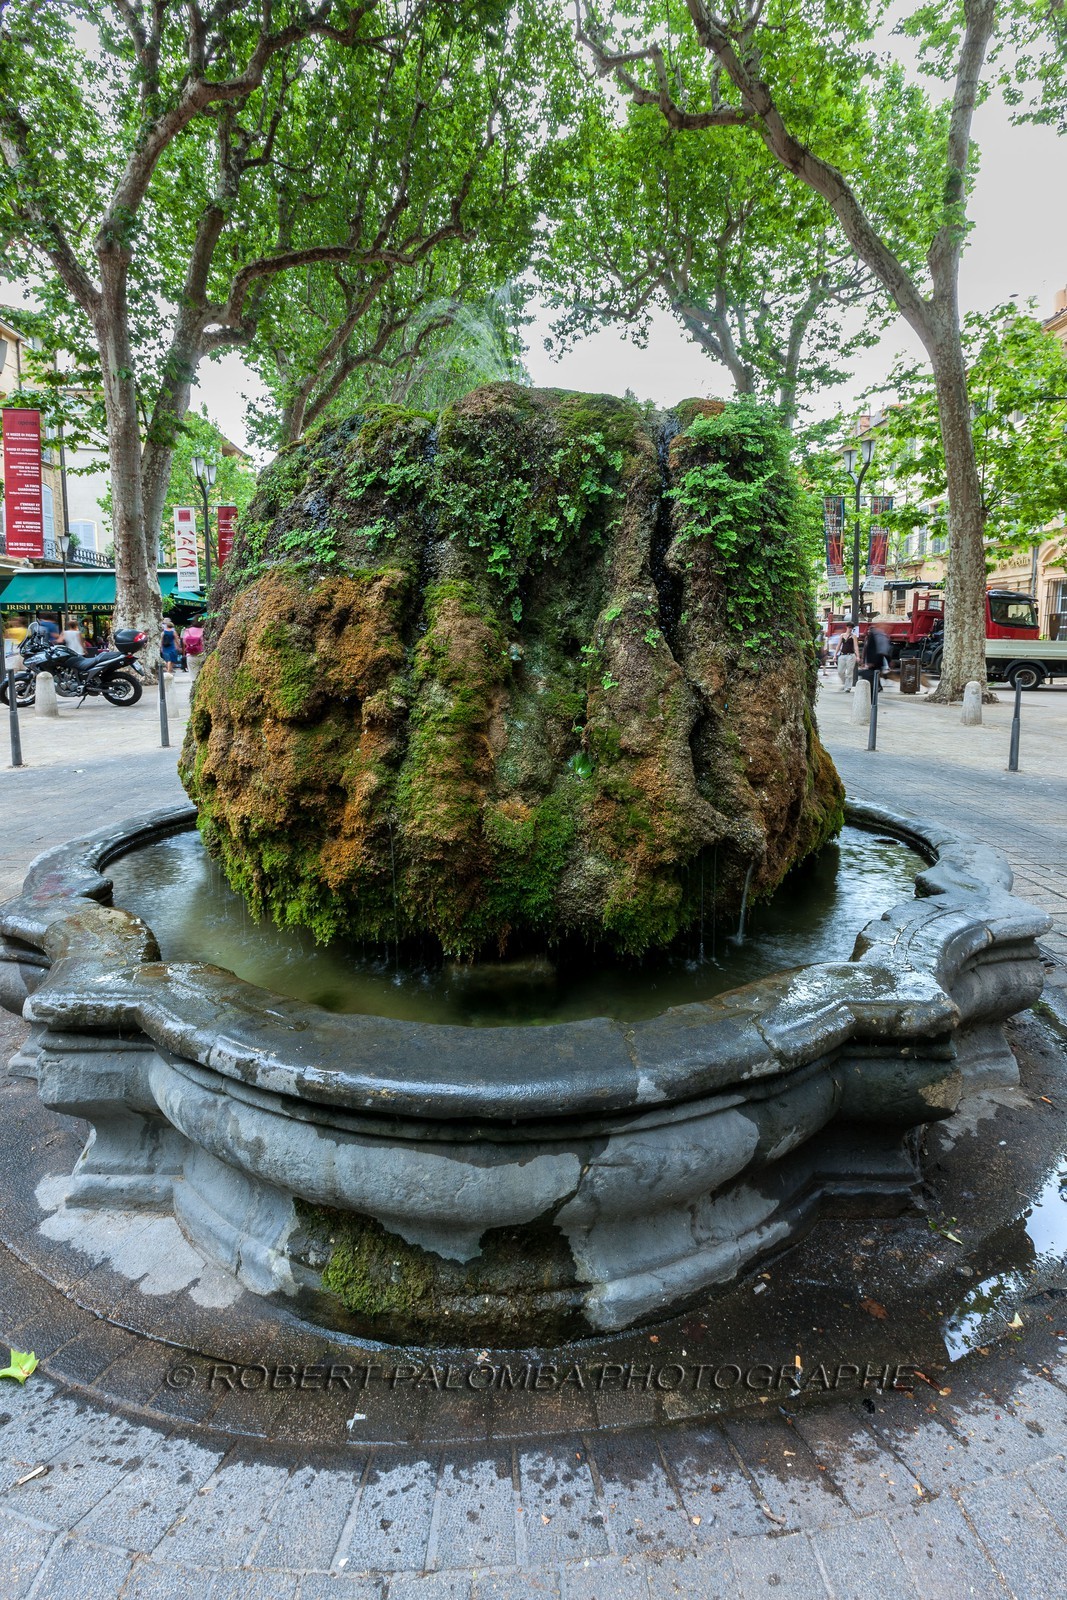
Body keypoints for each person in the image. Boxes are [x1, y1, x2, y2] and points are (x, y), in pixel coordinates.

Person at [833, 626, 858, 692]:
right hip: (842, 655)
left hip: (851, 655)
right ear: (847, 627)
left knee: (849, 672)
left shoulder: (854, 636)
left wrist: (857, 656)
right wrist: (835, 655)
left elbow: (856, 646)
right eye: (849, 627)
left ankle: (848, 687)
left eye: (852, 628)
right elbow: (838, 645)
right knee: (840, 672)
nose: (850, 629)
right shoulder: (842, 635)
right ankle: (845, 683)